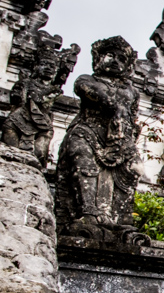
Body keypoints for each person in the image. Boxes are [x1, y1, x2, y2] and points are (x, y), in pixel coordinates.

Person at [55, 36, 142, 234]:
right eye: (110, 55)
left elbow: (131, 117)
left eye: (121, 59)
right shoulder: (87, 80)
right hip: (89, 131)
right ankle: (88, 212)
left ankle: (121, 216)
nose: (115, 61)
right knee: (82, 159)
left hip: (119, 140)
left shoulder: (131, 91)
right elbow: (87, 90)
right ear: (98, 58)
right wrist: (114, 105)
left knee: (133, 168)